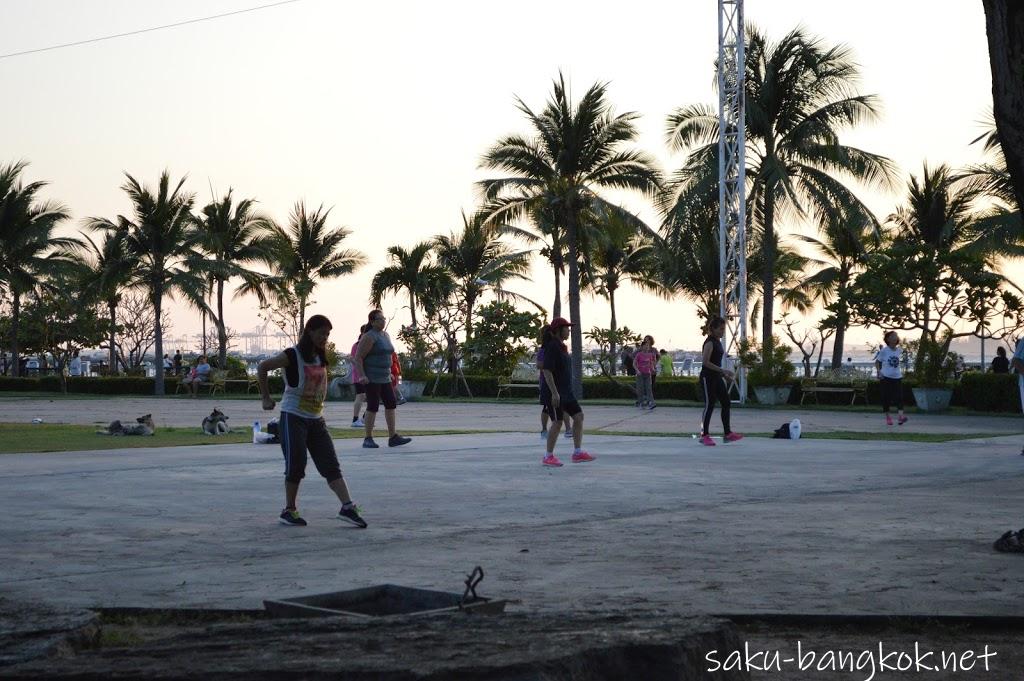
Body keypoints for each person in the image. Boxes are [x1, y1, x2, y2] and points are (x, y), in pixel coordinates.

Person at [257, 314, 366, 528]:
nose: (324, 337)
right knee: (296, 463)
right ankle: (289, 510)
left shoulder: (319, 356)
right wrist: (265, 397)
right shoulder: (292, 355)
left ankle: (347, 507)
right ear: (310, 331)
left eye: (327, 334)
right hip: (293, 417)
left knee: (330, 464)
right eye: (321, 333)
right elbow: (262, 367)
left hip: (316, 419)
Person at [539, 317, 595, 466]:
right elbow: (546, 370)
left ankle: (577, 453)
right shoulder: (552, 346)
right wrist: (555, 393)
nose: (569, 330)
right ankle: (548, 456)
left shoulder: (562, 346)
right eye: (566, 328)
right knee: (557, 422)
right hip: (555, 393)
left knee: (578, 416)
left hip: (566, 392)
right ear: (558, 330)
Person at [353, 310, 411, 448]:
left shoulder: (385, 335)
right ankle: (368, 438)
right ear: (372, 322)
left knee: (391, 404)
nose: (383, 321)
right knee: (372, 406)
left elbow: (388, 354)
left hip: (385, 377)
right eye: (380, 319)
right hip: (372, 378)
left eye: (384, 318)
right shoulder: (369, 337)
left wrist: (390, 371)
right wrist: (362, 375)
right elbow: (358, 358)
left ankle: (393, 437)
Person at [698, 317, 743, 446]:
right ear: (713, 329)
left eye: (724, 328)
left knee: (726, 402)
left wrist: (723, 375)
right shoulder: (709, 342)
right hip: (707, 377)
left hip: (716, 377)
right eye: (721, 329)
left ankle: (728, 434)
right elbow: (706, 362)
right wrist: (723, 370)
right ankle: (704, 435)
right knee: (709, 405)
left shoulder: (718, 342)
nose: (723, 331)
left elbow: (716, 362)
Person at [537, 344, 572, 441]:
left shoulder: (560, 347)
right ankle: (544, 430)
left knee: (563, 404)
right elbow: (539, 365)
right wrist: (551, 364)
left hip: (560, 382)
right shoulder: (543, 350)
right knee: (547, 407)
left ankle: (568, 429)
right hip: (546, 383)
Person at [874, 331, 907, 426]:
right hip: (885, 378)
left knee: (899, 397)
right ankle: (888, 417)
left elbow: (900, 362)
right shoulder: (884, 350)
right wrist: (879, 372)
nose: (895, 338)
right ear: (888, 339)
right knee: (886, 398)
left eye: (896, 336)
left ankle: (901, 417)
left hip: (897, 377)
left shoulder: (899, 350)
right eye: (892, 336)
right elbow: (877, 362)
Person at [349, 325, 369, 428]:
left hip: (368, 375)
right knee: (360, 395)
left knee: (371, 397)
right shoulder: (357, 345)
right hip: (359, 375)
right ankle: (355, 419)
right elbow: (352, 358)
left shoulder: (368, 344)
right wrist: (360, 368)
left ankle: (365, 419)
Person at [634, 336, 658, 410]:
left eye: (647, 346)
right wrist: (637, 371)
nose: (647, 347)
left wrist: (653, 369)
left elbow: (651, 364)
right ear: (642, 347)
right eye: (645, 346)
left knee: (649, 389)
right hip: (640, 374)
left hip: (648, 374)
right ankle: (641, 402)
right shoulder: (639, 354)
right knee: (641, 388)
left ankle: (652, 403)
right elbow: (634, 363)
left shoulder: (650, 355)